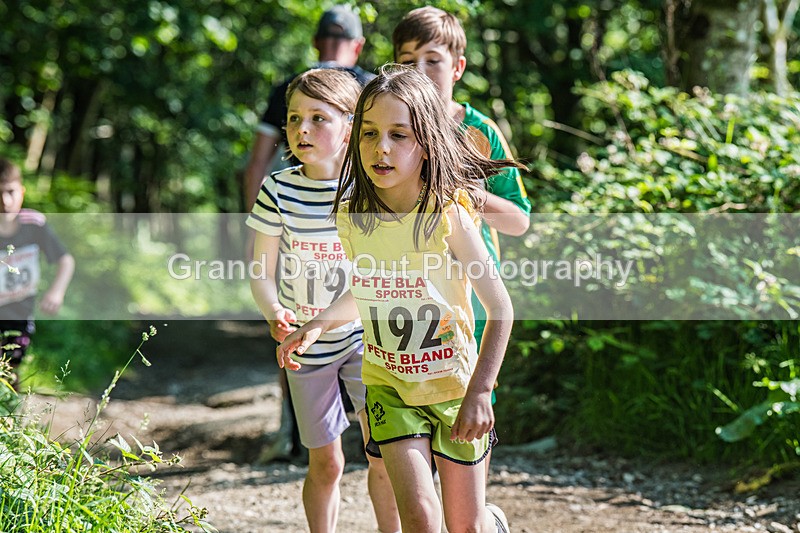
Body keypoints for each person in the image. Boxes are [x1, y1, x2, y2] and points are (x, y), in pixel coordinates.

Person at [278, 65, 519, 533]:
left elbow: (501, 309)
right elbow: (369, 289)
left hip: (454, 388)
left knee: (465, 526)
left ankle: (493, 522)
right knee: (421, 519)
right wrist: (319, 323)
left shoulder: (448, 217)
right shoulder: (351, 217)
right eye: (369, 133)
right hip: (388, 386)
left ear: (426, 143)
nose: (380, 148)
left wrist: (481, 390)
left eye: (398, 135)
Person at [247, 69, 400, 533]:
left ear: (350, 128)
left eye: (318, 118)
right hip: (305, 349)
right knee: (326, 464)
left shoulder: (370, 190)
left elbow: (376, 278)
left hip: (366, 343)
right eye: (294, 119)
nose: (302, 130)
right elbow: (260, 270)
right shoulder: (279, 189)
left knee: (385, 457)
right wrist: (274, 311)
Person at [392, 5, 532, 476]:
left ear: (458, 67)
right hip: (403, 303)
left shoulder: (480, 132)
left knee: (464, 438)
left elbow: (519, 222)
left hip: (471, 305)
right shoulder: (385, 130)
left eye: (432, 59)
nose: (419, 71)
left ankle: (479, 519)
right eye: (407, 59)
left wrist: (468, 191)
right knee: (413, 449)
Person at [245, 5, 375, 463]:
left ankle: (290, 429)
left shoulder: (292, 85)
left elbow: (257, 162)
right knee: (298, 320)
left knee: (296, 325)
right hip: (297, 210)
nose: (303, 127)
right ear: (356, 45)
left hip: (311, 219)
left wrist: (257, 220)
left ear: (316, 43)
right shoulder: (368, 81)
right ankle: (315, 429)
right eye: (296, 120)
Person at [0, 158, 75, 390]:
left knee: (11, 368)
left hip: (20, 313)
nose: (5, 201)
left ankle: (10, 417)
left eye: (10, 192)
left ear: (21, 191)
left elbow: (65, 260)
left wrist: (56, 292)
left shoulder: (34, 224)